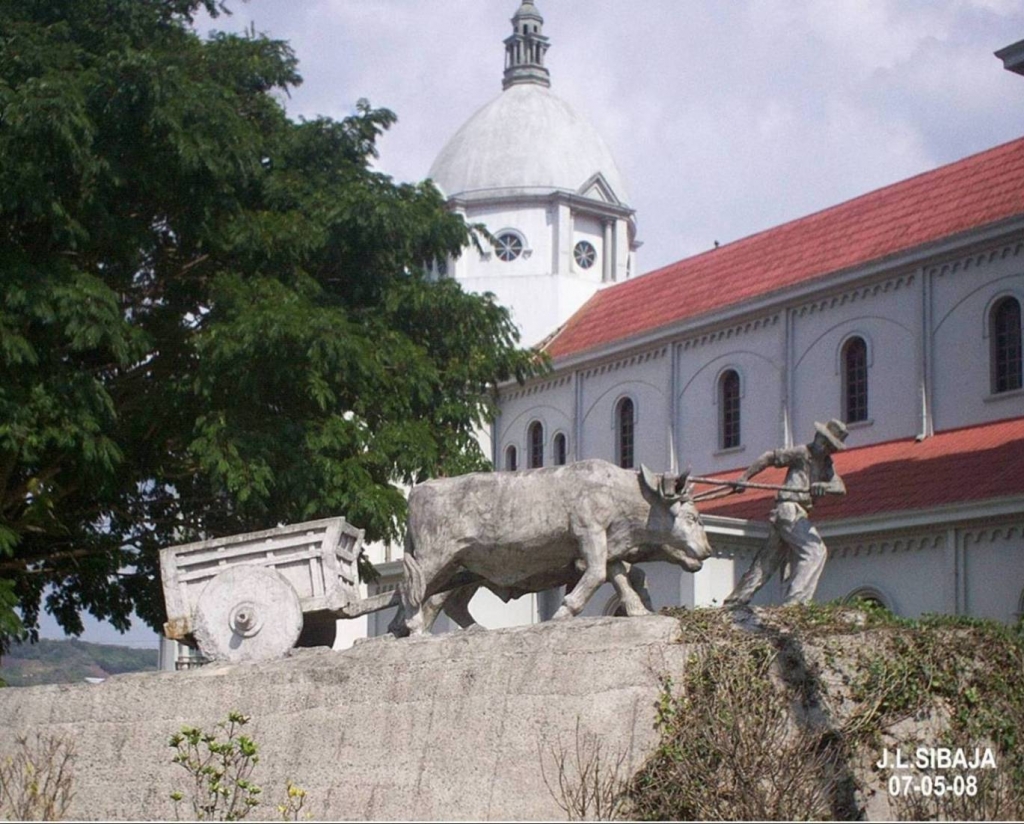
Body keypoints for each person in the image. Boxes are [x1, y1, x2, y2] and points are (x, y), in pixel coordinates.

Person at [724, 419, 848, 607]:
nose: (824, 448)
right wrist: (744, 478)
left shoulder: (826, 464)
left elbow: (840, 488)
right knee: (815, 551)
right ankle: (795, 603)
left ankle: (734, 602)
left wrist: (825, 486)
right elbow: (769, 457)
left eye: (829, 447)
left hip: (797, 513)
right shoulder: (801, 453)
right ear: (817, 437)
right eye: (823, 442)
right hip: (788, 509)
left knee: (766, 562)